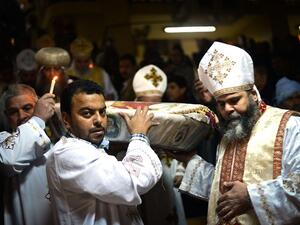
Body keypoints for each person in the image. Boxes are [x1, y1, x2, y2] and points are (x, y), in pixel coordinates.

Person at [172, 42, 300, 225]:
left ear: (253, 95)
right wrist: (189, 159)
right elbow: (223, 191)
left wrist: (251, 196)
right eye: (221, 103)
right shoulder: (230, 135)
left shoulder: (290, 125)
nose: (227, 109)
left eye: (234, 100)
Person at [46, 79, 162, 225]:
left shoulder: (89, 147)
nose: (98, 120)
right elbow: (134, 181)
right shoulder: (67, 154)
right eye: (87, 113)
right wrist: (139, 136)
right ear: (66, 119)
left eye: (102, 112)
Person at [132, 64, 187, 225]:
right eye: (148, 103)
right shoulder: (130, 119)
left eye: (157, 102)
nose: (154, 108)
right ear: (137, 101)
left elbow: (180, 147)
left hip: (168, 177)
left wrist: (181, 171)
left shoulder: (170, 116)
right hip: (142, 180)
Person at [0, 84, 56, 225]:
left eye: (27, 108)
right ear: (7, 116)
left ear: (38, 106)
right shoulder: (3, 140)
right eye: (13, 112)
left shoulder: (57, 138)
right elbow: (10, 160)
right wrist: (37, 119)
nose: (21, 116)